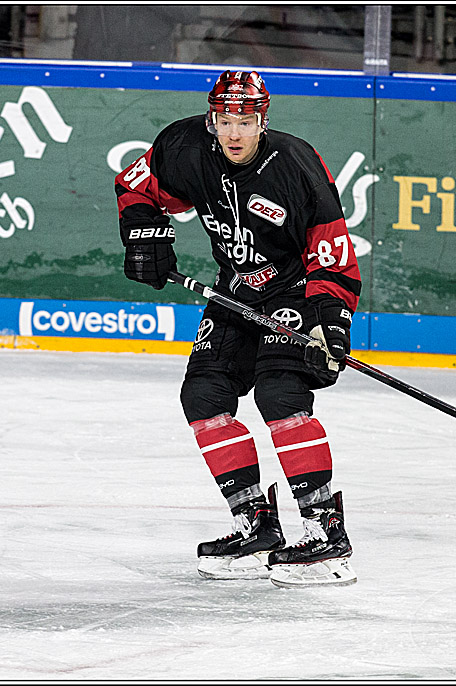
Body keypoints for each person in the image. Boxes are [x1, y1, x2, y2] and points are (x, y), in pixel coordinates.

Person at [114, 70, 361, 588]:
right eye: (225, 120)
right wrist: (144, 232)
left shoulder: (295, 164)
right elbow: (135, 184)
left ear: (261, 121)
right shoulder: (184, 148)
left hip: (294, 292)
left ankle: (323, 532)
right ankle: (255, 524)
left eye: (244, 122)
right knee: (203, 396)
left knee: (280, 395)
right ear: (212, 119)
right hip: (234, 293)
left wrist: (329, 325)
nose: (233, 133)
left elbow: (332, 250)